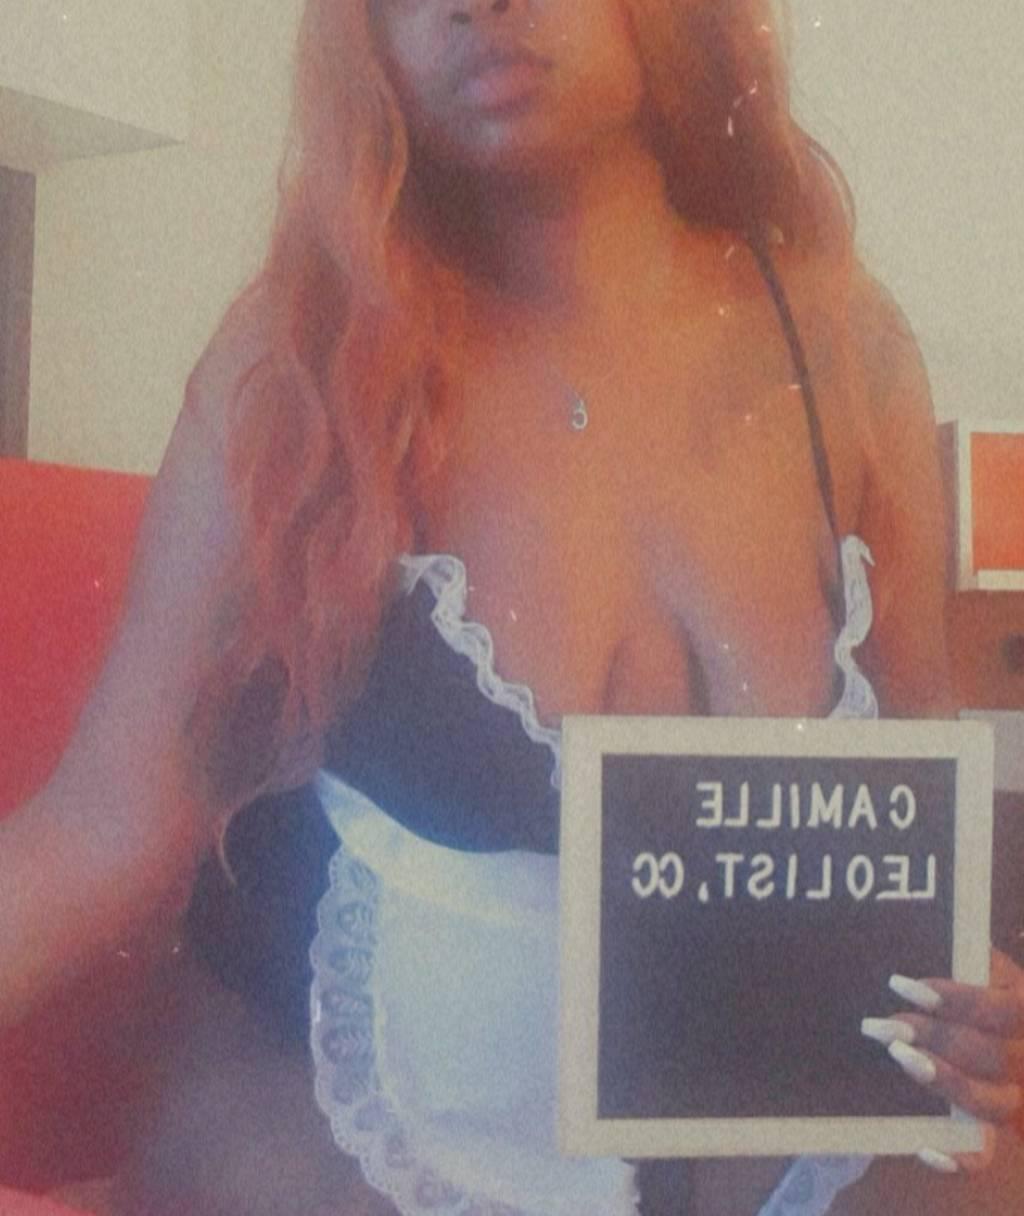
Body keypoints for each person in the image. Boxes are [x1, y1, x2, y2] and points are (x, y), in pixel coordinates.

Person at [2, 1, 1023, 1213]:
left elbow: (919, 828)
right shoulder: (306, 355)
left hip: (800, 1143)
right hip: (371, 1138)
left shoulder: (847, 349)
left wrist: (986, 1004)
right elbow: (105, 822)